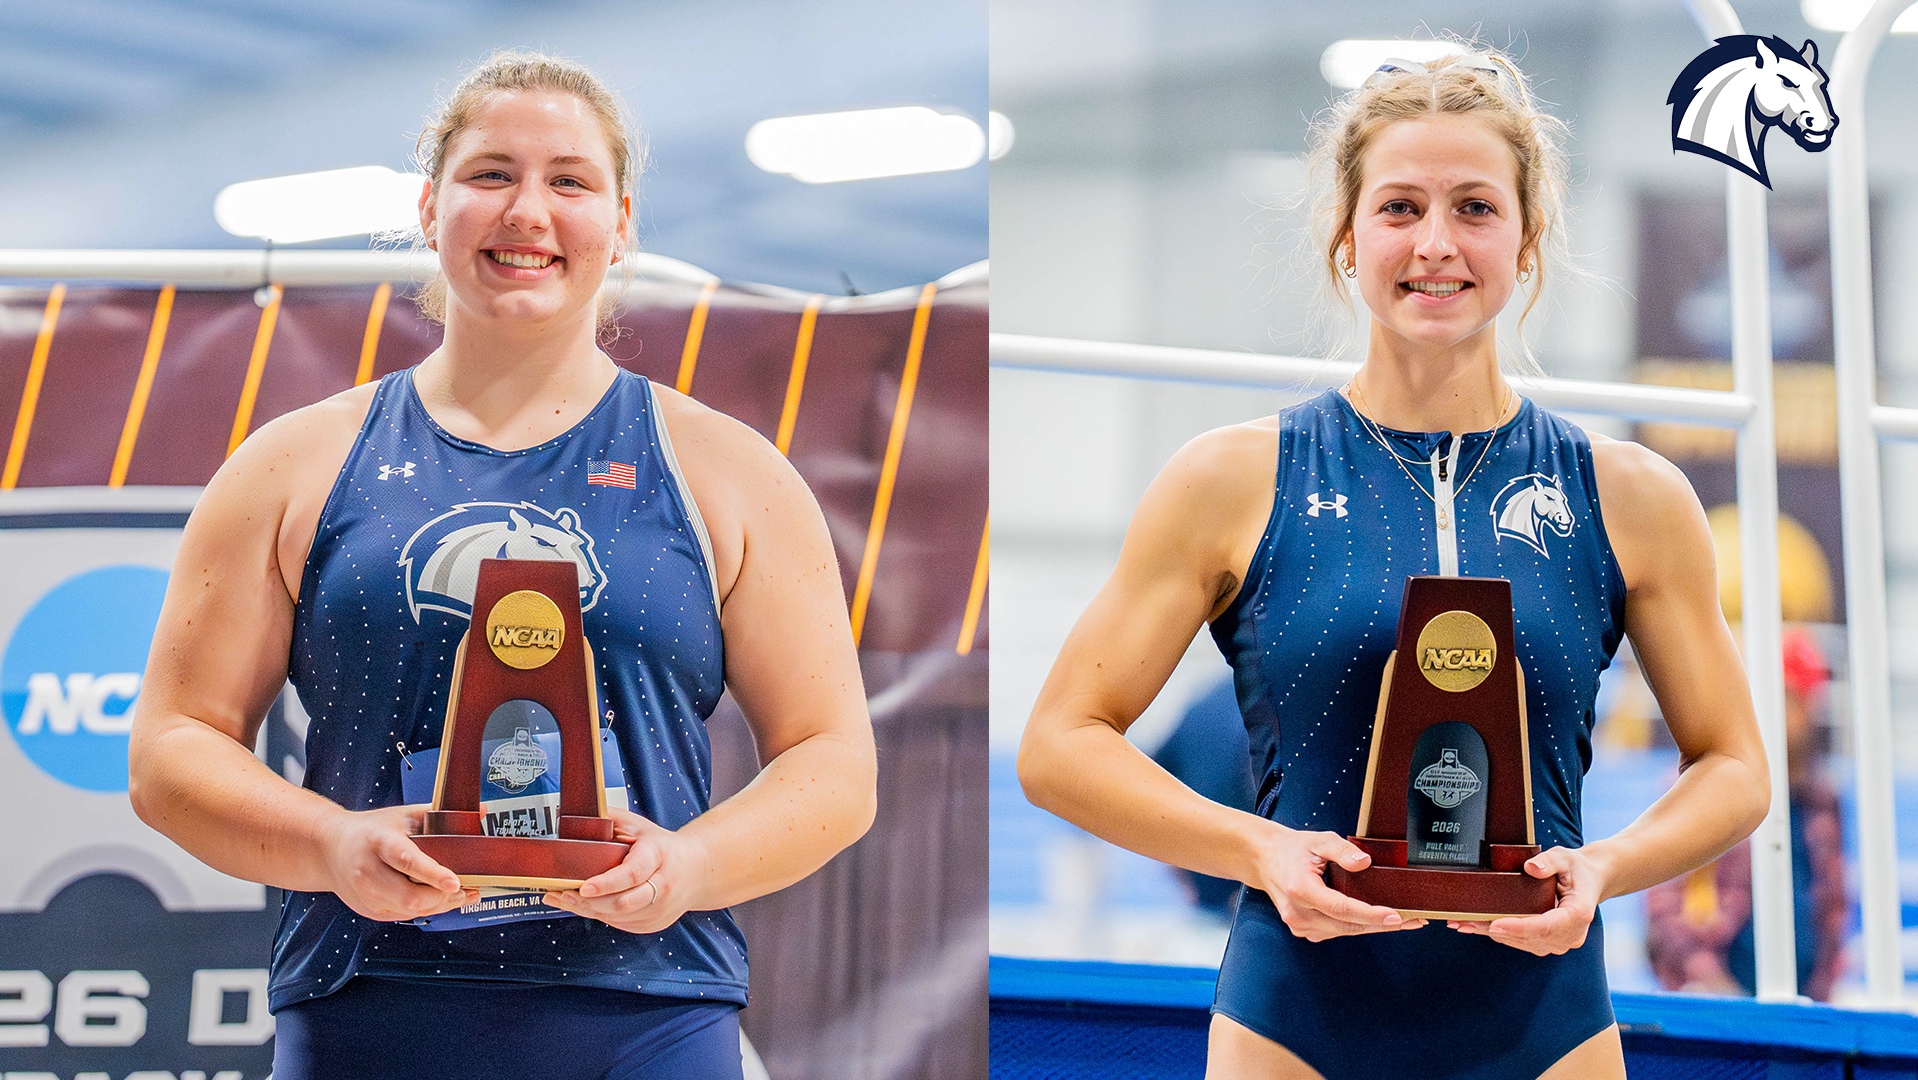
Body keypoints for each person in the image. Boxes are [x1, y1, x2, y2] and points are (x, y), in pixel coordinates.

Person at [1017, 46, 1769, 1080]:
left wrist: (1604, 868)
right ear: (1345, 235)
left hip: (1544, 1019)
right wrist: (1260, 850)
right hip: (1296, 1017)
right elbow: (1060, 744)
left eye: (1473, 207)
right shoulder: (1234, 479)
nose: (1435, 244)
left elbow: (1734, 766)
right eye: (1399, 207)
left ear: (1526, 235)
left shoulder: (1627, 495)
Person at [128, 51, 876, 1080]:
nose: (528, 211)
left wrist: (691, 862)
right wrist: (332, 847)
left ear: (621, 225)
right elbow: (174, 746)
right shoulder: (291, 466)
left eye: (569, 181)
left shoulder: (729, 471)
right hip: (367, 1005)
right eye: (492, 175)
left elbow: (833, 763)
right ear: (432, 208)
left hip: (646, 1009)